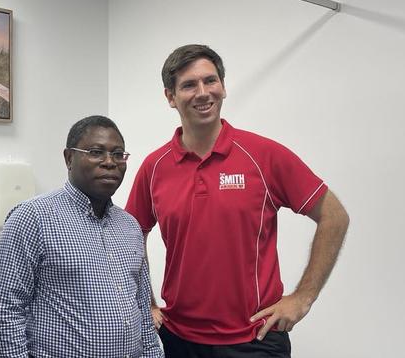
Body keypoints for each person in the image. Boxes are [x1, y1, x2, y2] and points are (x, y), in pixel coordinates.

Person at [125, 44, 349, 357]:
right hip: (179, 340)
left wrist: (302, 297)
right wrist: (144, 302)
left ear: (224, 87)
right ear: (170, 97)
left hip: (255, 340)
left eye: (210, 81)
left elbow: (334, 216)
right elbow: (129, 235)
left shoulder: (264, 155)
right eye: (189, 85)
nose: (203, 93)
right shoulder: (155, 166)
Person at [0, 116, 163, 358]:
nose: (110, 162)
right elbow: (5, 313)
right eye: (95, 152)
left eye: (118, 154)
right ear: (69, 158)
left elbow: (143, 310)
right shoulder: (32, 218)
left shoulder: (130, 226)